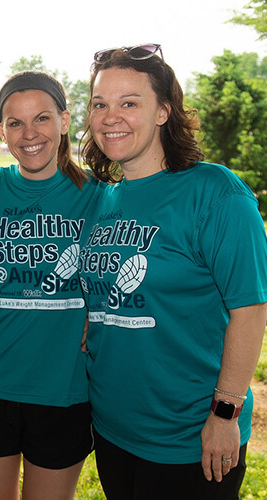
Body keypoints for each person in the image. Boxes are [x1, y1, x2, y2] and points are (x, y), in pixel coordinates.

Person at [78, 43, 267, 499]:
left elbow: (251, 307)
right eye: (100, 104)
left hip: (189, 437)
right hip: (112, 427)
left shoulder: (214, 191)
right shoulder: (104, 198)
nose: (110, 116)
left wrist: (225, 414)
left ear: (163, 111)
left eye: (129, 103)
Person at [0, 71, 101, 500]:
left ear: (64, 120)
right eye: (15, 123)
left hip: (64, 388)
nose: (29, 133)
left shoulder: (99, 195)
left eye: (41, 118)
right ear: (1, 130)